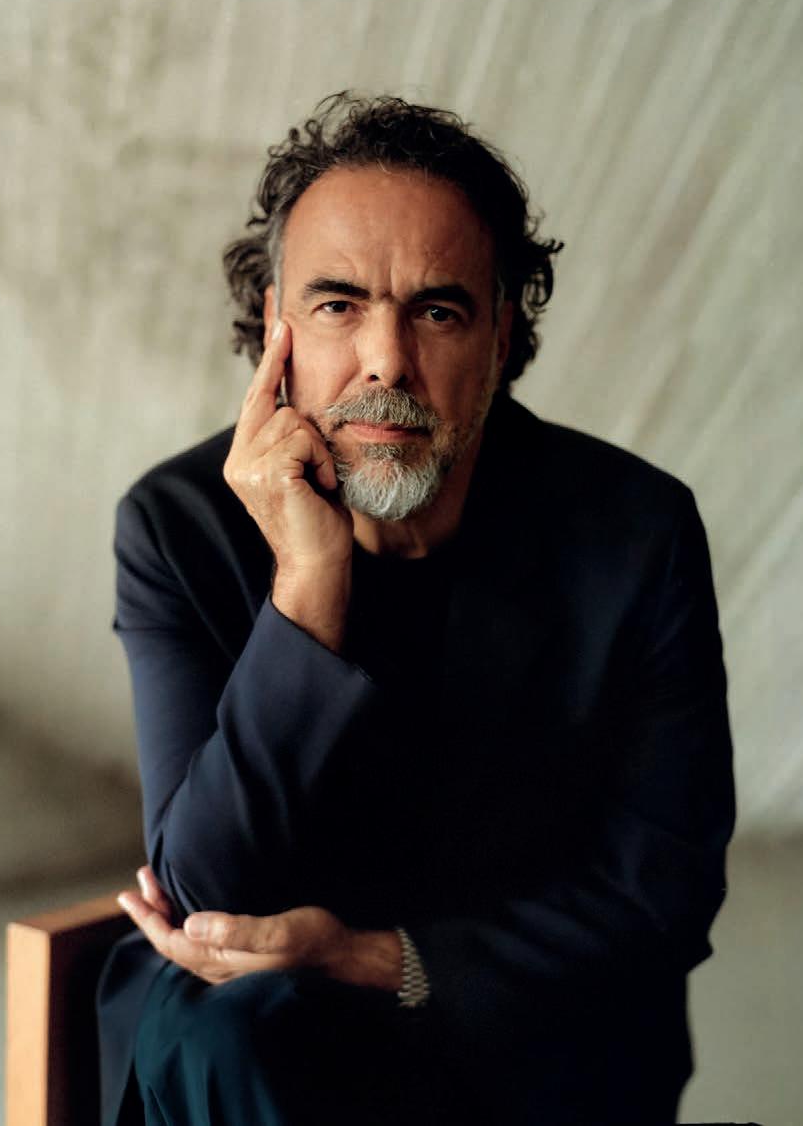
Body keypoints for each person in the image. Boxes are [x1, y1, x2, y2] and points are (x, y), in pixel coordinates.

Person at [97, 92, 735, 1125]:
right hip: (257, 1037)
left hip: (517, 1022)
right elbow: (208, 900)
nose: (386, 358)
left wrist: (378, 958)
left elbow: (661, 893)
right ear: (276, 326)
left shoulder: (635, 532)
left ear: (499, 334)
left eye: (436, 310)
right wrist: (307, 587)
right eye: (337, 306)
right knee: (228, 1026)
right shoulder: (178, 526)